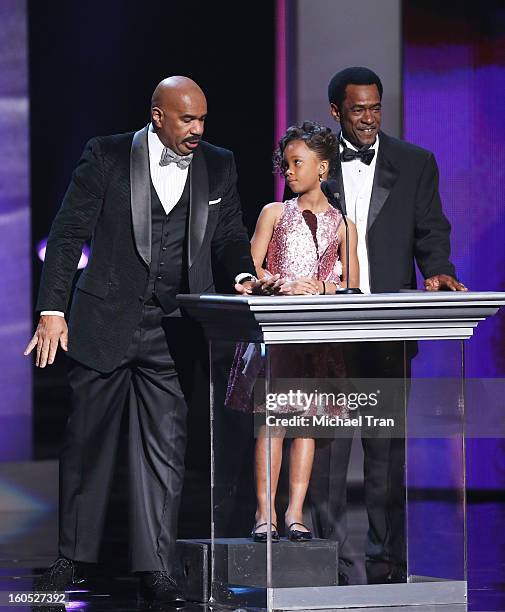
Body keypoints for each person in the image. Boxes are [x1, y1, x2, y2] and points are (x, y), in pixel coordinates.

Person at [24, 76, 274, 604]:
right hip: (102, 321)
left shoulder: (218, 164)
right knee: (88, 445)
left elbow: (229, 236)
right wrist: (52, 310)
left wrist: (243, 276)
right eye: (188, 120)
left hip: (173, 331)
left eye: (203, 120)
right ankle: (72, 559)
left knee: (165, 450)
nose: (198, 130)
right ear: (158, 116)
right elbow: (69, 233)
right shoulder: (108, 155)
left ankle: (156, 568)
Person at [309, 66, 467, 585]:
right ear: (336, 112)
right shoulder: (314, 160)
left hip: (387, 328)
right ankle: (327, 557)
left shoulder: (415, 162)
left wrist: (439, 269)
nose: (370, 118)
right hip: (330, 330)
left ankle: (387, 560)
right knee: (328, 451)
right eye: (359, 110)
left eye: (375, 108)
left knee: (386, 453)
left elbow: (431, 229)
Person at [226, 121, 359, 543]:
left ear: (322, 168)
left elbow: (353, 284)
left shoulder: (343, 224)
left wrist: (321, 286)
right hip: (278, 334)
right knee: (272, 425)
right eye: (285, 164)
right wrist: (282, 282)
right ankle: (264, 513)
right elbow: (251, 268)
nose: (288, 171)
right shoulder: (273, 213)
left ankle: (295, 513)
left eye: (297, 163)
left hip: (317, 336)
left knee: (307, 424)